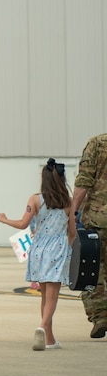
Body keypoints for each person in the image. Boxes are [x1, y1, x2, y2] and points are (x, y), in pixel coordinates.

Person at [0, 158, 72, 350]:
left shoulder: (35, 199)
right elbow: (72, 232)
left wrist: (4, 220)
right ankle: (41, 328)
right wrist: (67, 248)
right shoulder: (68, 202)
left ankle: (49, 338)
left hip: (38, 248)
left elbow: (23, 224)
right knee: (53, 296)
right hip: (57, 248)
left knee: (45, 295)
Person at [73, 130, 107, 340]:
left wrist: (72, 212)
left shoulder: (97, 143)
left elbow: (84, 181)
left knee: (93, 269)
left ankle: (100, 317)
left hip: (98, 218)